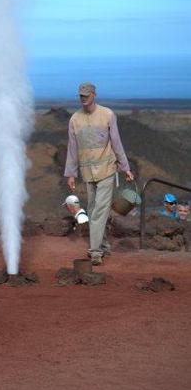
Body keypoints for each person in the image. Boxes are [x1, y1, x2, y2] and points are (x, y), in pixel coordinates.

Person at [64, 82, 134, 265]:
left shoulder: (107, 115)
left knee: (99, 210)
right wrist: (71, 174)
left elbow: (116, 143)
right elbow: (72, 149)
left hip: (107, 170)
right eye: (81, 95)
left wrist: (125, 167)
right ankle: (103, 245)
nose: (84, 98)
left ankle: (95, 252)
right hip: (88, 173)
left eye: (87, 95)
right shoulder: (75, 120)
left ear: (94, 94)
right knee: (95, 210)